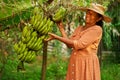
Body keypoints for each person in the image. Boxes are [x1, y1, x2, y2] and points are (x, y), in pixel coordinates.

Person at [46, 3, 111, 80]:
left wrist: (56, 37)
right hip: (75, 62)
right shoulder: (79, 28)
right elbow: (70, 44)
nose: (87, 15)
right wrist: (62, 29)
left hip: (86, 63)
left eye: (91, 14)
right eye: (87, 12)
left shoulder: (97, 29)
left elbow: (79, 44)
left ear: (98, 19)